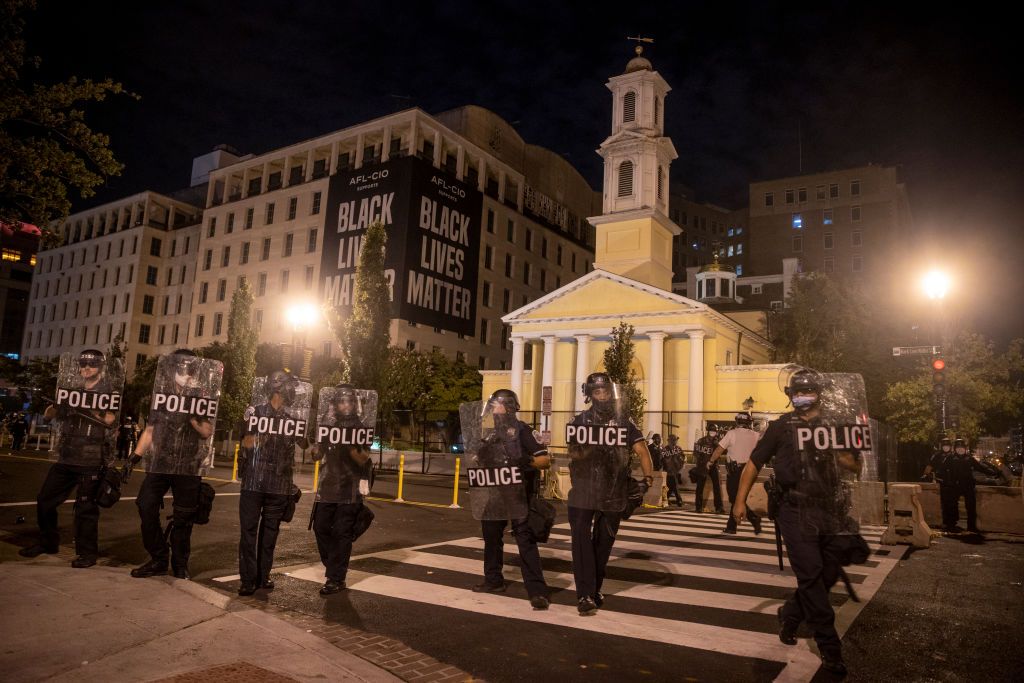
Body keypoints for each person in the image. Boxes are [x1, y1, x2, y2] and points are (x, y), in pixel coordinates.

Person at [731, 369, 865, 676]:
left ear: (819, 393)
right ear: (790, 396)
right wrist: (739, 501)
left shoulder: (833, 425)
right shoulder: (781, 427)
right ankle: (830, 648)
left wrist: (832, 450)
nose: (801, 398)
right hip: (793, 507)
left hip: (829, 507)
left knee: (827, 572)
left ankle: (790, 614)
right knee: (811, 574)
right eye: (796, 393)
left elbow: (854, 465)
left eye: (807, 392)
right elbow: (754, 462)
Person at [19, 350, 120, 567]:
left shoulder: (108, 391)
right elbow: (48, 416)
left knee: (86, 509)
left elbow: (111, 420)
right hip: (67, 455)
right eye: (83, 365)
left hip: (91, 458)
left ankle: (87, 553)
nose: (86, 369)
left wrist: (86, 406)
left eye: (91, 365)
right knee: (45, 500)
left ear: (100, 367)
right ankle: (48, 542)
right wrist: (58, 403)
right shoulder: (71, 390)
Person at [566, 372, 654, 616]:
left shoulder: (623, 422)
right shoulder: (579, 422)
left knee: (603, 544)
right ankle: (584, 594)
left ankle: (594, 589)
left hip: (613, 489)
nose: (602, 396)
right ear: (589, 395)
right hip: (584, 489)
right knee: (581, 543)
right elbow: (574, 455)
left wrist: (647, 480)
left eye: (605, 391)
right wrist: (593, 448)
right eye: (597, 392)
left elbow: (642, 451)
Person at [128, 351, 218, 580]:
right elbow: (150, 429)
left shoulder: (200, 396)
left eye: (188, 367)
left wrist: (191, 418)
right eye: (180, 365)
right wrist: (134, 457)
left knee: (183, 518)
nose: (184, 370)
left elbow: (207, 431)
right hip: (161, 461)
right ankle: (158, 557)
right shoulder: (162, 394)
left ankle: (180, 564)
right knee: (145, 505)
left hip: (188, 464)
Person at [469, 389, 552, 609]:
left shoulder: (523, 431)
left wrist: (525, 461)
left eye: (497, 406)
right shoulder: (491, 435)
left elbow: (544, 460)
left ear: (508, 407)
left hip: (517, 493)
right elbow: (479, 461)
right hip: (494, 493)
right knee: (491, 536)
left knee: (525, 539)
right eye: (493, 406)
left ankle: (537, 590)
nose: (493, 410)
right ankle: (493, 580)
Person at [237, 370, 307, 596]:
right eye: (289, 387)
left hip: (278, 483)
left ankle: (263, 575)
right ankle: (248, 580)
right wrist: (264, 435)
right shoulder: (255, 413)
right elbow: (246, 442)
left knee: (270, 534)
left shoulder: (292, 420)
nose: (292, 392)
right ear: (278, 388)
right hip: (253, 482)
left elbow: (306, 446)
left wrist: (310, 435)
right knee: (249, 532)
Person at [313, 384, 373, 595]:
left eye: (348, 401)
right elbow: (316, 455)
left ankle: (335, 578)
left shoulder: (361, 427)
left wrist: (346, 442)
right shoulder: (329, 425)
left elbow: (364, 458)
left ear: (354, 404)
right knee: (320, 527)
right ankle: (334, 567)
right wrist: (318, 441)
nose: (344, 405)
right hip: (327, 486)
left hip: (350, 490)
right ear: (336, 404)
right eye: (341, 401)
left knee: (341, 533)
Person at [711, 413, 763, 534]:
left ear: (737, 422)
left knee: (735, 497)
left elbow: (719, 449)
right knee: (740, 497)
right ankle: (731, 526)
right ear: (749, 422)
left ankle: (754, 518)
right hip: (750, 470)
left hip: (736, 471)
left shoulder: (732, 433)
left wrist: (711, 460)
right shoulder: (756, 435)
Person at [944, 438, 994, 534]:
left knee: (971, 507)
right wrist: (947, 481)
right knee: (952, 506)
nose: (960, 450)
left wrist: (992, 473)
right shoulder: (950, 458)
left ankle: (971, 526)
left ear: (965, 448)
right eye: (958, 448)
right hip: (955, 486)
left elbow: (980, 467)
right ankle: (951, 525)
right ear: (955, 449)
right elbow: (942, 470)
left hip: (968, 485)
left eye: (962, 448)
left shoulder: (969, 458)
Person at [921, 437, 955, 529]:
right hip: (941, 481)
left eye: (947, 445)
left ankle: (952, 522)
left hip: (953, 482)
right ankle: (946, 522)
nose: (946, 447)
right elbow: (930, 465)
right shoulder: (937, 455)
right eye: (944, 445)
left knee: (952, 503)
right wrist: (926, 474)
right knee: (944, 502)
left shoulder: (953, 455)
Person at [692, 425, 724, 514]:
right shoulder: (702, 441)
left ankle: (718, 507)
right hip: (704, 466)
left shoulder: (716, 441)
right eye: (712, 431)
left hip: (712, 466)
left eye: (714, 431)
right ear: (708, 431)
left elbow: (719, 453)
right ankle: (699, 507)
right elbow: (696, 453)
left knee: (716, 487)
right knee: (700, 487)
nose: (713, 433)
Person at [662, 434, 685, 507]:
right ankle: (679, 500)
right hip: (669, 470)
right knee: (674, 485)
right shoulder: (665, 449)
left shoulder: (678, 448)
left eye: (676, 440)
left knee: (671, 486)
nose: (675, 441)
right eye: (674, 440)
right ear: (670, 441)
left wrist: (681, 465)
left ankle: (666, 499)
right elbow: (662, 460)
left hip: (676, 470)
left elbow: (683, 457)